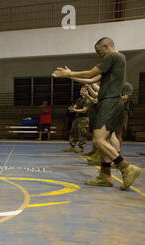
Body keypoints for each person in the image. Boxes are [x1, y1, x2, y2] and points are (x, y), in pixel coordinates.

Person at [53, 37, 141, 190]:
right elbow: (92, 79)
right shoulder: (117, 61)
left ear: (106, 46)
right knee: (104, 140)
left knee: (98, 141)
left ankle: (126, 167)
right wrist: (69, 76)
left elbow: (90, 73)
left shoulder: (113, 56)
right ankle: (105, 176)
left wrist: (69, 72)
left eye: (99, 51)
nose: (98, 55)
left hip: (109, 102)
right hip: (112, 103)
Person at [63, 87, 91, 153]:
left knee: (82, 133)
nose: (82, 91)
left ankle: (81, 147)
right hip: (77, 118)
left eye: (84, 90)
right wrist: (72, 108)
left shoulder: (87, 100)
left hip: (83, 118)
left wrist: (75, 110)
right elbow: (75, 106)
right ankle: (71, 146)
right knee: (73, 132)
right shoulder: (79, 99)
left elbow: (84, 110)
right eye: (81, 90)